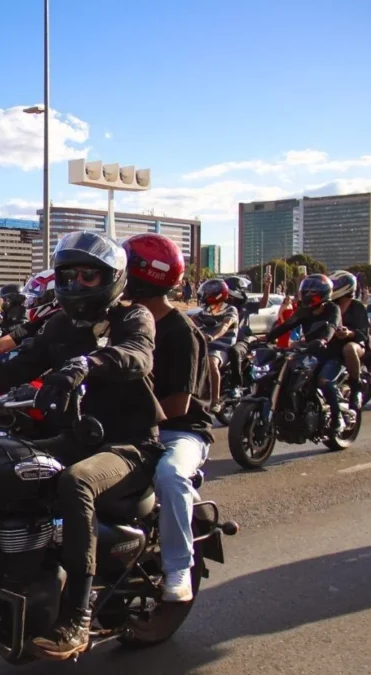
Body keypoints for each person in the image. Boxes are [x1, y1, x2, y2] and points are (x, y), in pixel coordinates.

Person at [0, 230, 163, 660]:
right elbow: (14, 368)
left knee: (76, 482)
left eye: (89, 276)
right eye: (70, 275)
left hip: (130, 447)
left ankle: (76, 617)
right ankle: (6, 571)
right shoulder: (62, 325)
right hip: (78, 437)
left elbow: (137, 355)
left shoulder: (133, 318)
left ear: (112, 279)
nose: (77, 284)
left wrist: (85, 365)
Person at [121, 234, 212, 603]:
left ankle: (178, 567)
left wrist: (122, 404)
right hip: (130, 425)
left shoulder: (181, 332)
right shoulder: (124, 322)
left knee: (171, 476)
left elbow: (177, 406)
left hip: (179, 432)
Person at [265, 274, 345, 424]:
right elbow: (288, 324)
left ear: (323, 293)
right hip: (309, 353)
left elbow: (332, 326)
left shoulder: (333, 309)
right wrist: (267, 337)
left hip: (331, 354)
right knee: (287, 372)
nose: (308, 295)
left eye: (312, 292)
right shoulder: (305, 311)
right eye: (306, 292)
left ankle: (337, 417)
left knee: (323, 380)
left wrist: (323, 340)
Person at [0, 270, 58, 363]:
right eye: (31, 299)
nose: (30, 303)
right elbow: (3, 344)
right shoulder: (35, 325)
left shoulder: (63, 325)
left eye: (36, 299)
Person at [327, 271, 371, 412]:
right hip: (332, 344)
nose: (333, 287)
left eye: (337, 285)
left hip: (356, 343)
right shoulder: (329, 305)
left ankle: (356, 387)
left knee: (349, 349)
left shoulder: (357, 307)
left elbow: (363, 333)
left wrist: (348, 333)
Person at [193, 279, 239, 407]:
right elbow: (192, 321)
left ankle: (215, 401)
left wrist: (212, 337)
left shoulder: (231, 309)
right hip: (205, 345)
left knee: (212, 362)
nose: (204, 296)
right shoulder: (205, 311)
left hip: (222, 347)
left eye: (207, 293)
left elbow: (225, 326)